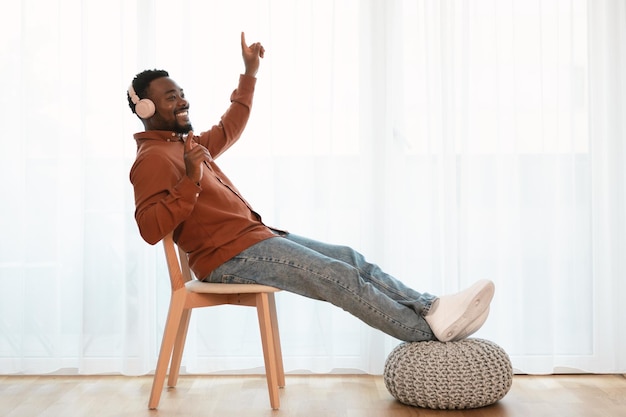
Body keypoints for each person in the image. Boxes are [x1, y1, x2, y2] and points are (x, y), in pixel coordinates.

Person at [127, 32, 494, 343]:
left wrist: (249, 74)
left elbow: (228, 128)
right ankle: (428, 336)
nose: (183, 101)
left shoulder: (184, 146)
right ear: (145, 108)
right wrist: (191, 179)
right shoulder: (152, 160)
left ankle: (434, 309)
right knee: (338, 277)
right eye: (170, 97)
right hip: (226, 257)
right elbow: (149, 229)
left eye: (181, 93)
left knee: (350, 258)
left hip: (252, 239)